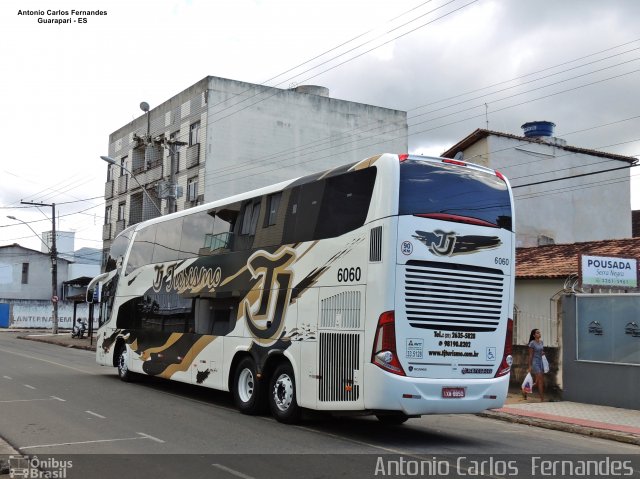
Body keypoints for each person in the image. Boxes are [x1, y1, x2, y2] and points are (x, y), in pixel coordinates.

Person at [527, 328, 546, 402]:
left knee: (537, 382)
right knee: (541, 380)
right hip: (535, 363)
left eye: (539, 332)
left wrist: (543, 353)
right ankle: (542, 399)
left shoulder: (541, 342)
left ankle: (524, 390)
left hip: (541, 362)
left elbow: (541, 351)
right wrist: (530, 366)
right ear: (534, 335)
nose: (539, 334)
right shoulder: (532, 343)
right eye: (537, 333)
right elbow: (530, 355)